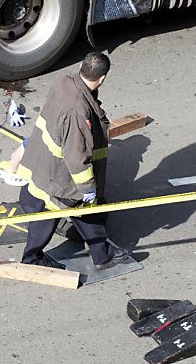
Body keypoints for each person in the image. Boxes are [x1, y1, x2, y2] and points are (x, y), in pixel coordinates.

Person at [15, 52, 131, 271]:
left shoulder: (64, 82)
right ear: (102, 78)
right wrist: (87, 188)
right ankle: (102, 256)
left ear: (81, 66)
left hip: (45, 164)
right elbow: (77, 156)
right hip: (63, 176)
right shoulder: (77, 112)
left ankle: (33, 257)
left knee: (48, 210)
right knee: (82, 210)